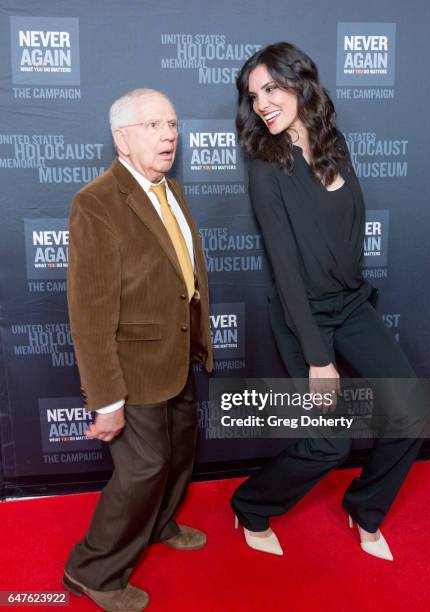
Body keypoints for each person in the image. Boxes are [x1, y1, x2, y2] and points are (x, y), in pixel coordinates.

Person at [230, 42, 430, 561]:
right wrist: (320, 358)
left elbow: (347, 231)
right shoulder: (266, 168)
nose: (262, 103)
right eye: (254, 96)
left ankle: (364, 507)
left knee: (413, 409)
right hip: (303, 315)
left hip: (350, 304)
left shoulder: (333, 144)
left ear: (300, 83)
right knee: (329, 443)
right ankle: (250, 504)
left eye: (271, 88)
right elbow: (287, 270)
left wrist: (353, 301)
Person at [63, 88, 213, 611]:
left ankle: (159, 523)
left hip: (177, 357)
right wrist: (106, 398)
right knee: (142, 468)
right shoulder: (97, 202)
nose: (170, 134)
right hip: (134, 368)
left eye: (172, 123)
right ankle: (93, 570)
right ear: (121, 138)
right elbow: (90, 311)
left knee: (178, 454)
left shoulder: (167, 188)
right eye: (153, 125)